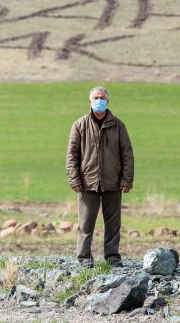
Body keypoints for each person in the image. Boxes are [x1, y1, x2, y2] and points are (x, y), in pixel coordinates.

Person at [66, 85, 134, 268]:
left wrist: (127, 180)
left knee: (113, 224)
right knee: (85, 224)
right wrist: (74, 179)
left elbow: (127, 153)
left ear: (107, 101)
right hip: (87, 183)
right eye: (95, 98)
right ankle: (84, 258)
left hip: (113, 182)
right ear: (89, 102)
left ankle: (112, 257)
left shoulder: (118, 125)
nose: (99, 101)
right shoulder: (79, 125)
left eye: (102, 98)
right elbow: (72, 155)